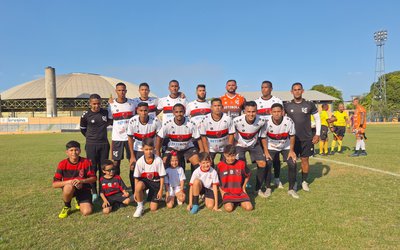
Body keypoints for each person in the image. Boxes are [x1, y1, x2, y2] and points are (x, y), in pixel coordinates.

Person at [284, 83, 320, 192]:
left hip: (306, 138)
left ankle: (304, 182)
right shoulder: (287, 105)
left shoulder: (309, 104)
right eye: (295, 90)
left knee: (305, 160)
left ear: (302, 91)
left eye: (299, 89)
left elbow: (317, 119)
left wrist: (317, 134)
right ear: (291, 92)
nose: (297, 91)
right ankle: (294, 182)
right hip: (292, 139)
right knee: (293, 162)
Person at [233, 101, 269, 197]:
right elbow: (232, 134)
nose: (251, 114)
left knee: (262, 163)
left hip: (254, 144)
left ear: (256, 111)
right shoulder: (236, 121)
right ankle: (241, 187)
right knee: (240, 165)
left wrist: (265, 151)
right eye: (248, 111)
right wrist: (233, 145)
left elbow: (263, 136)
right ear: (244, 111)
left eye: (253, 111)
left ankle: (258, 188)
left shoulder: (262, 120)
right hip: (240, 144)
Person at [80, 93, 112, 201]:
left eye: (98, 103)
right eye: (94, 104)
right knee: (92, 169)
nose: (96, 106)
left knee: (103, 168)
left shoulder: (105, 112)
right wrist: (91, 138)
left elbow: (111, 121)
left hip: (104, 145)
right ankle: (94, 192)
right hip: (91, 145)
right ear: (90, 104)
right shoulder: (85, 115)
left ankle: (102, 191)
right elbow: (83, 129)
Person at [52, 141, 96, 218]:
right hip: (69, 188)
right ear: (67, 152)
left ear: (80, 151)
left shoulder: (86, 162)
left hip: (84, 189)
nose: (74, 152)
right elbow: (54, 184)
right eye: (71, 150)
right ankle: (67, 206)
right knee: (69, 187)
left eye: (76, 150)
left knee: (87, 212)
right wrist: (69, 182)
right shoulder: (62, 164)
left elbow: (94, 178)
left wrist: (82, 181)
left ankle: (79, 200)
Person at [264, 103, 299, 198]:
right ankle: (268, 187)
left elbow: (292, 136)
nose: (276, 114)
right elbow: (263, 137)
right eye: (274, 112)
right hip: (271, 146)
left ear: (282, 112)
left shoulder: (288, 121)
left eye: (278, 111)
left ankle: (291, 189)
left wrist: (291, 150)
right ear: (270, 112)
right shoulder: (266, 121)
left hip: (285, 146)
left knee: (293, 163)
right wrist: (266, 152)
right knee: (267, 163)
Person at [254, 80, 284, 188]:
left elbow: (282, 115)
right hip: (261, 134)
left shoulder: (277, 100)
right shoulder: (256, 102)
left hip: (275, 134)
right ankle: (262, 180)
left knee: (275, 158)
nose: (264, 89)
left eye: (266, 87)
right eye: (262, 87)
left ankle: (276, 178)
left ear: (271, 88)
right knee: (262, 158)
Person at [127, 102, 162, 192]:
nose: (143, 113)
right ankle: (136, 190)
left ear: (148, 110)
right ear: (137, 111)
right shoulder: (132, 121)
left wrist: (157, 151)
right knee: (133, 168)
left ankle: (152, 189)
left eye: (145, 110)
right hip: (137, 149)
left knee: (153, 168)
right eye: (141, 110)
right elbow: (130, 137)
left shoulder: (155, 120)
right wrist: (132, 156)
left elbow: (159, 136)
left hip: (151, 149)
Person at [156, 103, 201, 172]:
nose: (179, 114)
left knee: (199, 164)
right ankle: (165, 182)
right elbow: (159, 137)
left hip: (187, 148)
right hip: (173, 147)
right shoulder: (168, 124)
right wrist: (158, 152)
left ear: (184, 112)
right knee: (164, 163)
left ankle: (196, 181)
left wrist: (202, 151)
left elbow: (198, 138)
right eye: (176, 112)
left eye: (181, 112)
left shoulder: (191, 123)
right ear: (173, 113)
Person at [133, 138, 166, 218]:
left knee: (153, 208)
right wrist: (136, 191)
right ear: (142, 149)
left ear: (154, 148)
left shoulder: (158, 160)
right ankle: (140, 207)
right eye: (146, 149)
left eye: (150, 149)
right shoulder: (140, 161)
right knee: (138, 186)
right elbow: (136, 178)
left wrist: (161, 190)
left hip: (156, 183)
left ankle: (153, 195)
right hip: (146, 182)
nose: (148, 152)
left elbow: (162, 177)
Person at [108, 82, 136, 175]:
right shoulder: (111, 105)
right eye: (119, 90)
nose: (121, 92)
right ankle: (117, 186)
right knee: (116, 163)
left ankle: (134, 186)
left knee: (132, 162)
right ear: (116, 91)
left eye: (123, 90)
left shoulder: (132, 103)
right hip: (117, 138)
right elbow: (110, 120)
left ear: (126, 91)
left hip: (130, 138)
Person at [217, 145, 253, 212]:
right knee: (229, 209)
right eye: (228, 156)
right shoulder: (220, 165)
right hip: (227, 193)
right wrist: (222, 191)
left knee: (249, 208)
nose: (230, 158)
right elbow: (216, 179)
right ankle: (232, 202)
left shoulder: (241, 164)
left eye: (233, 156)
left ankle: (238, 202)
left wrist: (243, 187)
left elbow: (248, 175)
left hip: (239, 192)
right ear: (224, 155)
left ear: (236, 154)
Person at [200, 98, 235, 164]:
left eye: (219, 106)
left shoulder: (228, 118)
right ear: (211, 107)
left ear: (222, 107)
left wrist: (229, 149)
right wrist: (207, 151)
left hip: (224, 147)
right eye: (215, 106)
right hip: (210, 148)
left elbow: (231, 134)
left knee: (225, 165)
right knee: (209, 165)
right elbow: (203, 136)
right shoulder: (205, 119)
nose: (217, 108)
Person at [186, 84, 211, 152]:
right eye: (200, 91)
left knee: (207, 156)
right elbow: (186, 118)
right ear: (196, 92)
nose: (202, 92)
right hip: (195, 135)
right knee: (196, 156)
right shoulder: (191, 104)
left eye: (203, 90)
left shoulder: (209, 104)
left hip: (207, 135)